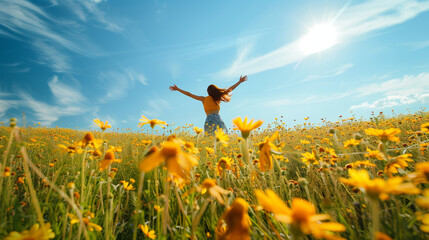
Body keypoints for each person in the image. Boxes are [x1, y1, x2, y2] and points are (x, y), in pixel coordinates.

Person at [169, 75, 247, 135]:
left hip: (209, 120)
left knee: (210, 138)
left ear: (208, 92)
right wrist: (239, 82)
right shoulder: (217, 98)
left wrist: (178, 89)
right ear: (216, 90)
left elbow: (189, 94)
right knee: (224, 136)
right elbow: (230, 89)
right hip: (218, 119)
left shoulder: (204, 99)